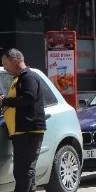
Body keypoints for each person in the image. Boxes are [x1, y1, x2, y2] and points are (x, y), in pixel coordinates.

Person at [0, 48, 46, 192]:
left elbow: (29, 97)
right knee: (24, 171)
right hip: (21, 131)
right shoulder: (19, 78)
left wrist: (5, 101)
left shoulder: (28, 77)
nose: (5, 67)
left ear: (15, 60)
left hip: (28, 130)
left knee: (23, 171)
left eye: (5, 64)